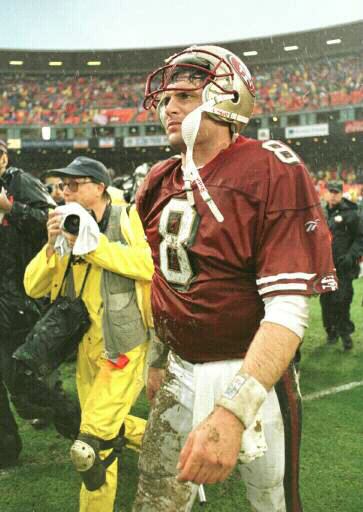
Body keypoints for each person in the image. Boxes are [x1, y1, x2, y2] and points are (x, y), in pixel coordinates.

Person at [132, 45, 337, 512]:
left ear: (230, 99)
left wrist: (234, 409)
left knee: (270, 499)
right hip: (179, 366)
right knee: (157, 498)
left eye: (185, 95)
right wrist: (159, 356)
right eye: (166, 99)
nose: (170, 108)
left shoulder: (270, 168)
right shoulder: (159, 178)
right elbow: (162, 281)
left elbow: (288, 308)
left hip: (247, 368)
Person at [24, 156, 154, 512]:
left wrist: (94, 247)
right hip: (85, 347)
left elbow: (149, 265)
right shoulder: (67, 228)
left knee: (91, 443)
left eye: (74, 184)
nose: (65, 191)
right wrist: (53, 244)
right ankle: (166, 443)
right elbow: (34, 286)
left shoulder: (128, 218)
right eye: (63, 186)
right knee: (100, 425)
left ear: (99, 187)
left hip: (124, 345)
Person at [0, 139, 80, 469]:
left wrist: (10, 209)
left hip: (18, 299)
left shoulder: (19, 182)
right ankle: (6, 453)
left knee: (27, 382)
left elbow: (53, 223)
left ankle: (82, 429)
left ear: (3, 158)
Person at [320, 180, 363, 350]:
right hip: (325, 266)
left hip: (344, 266)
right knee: (326, 301)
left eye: (337, 192)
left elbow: (360, 238)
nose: (333, 194)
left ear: (341, 193)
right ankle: (331, 331)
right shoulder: (320, 213)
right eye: (331, 191)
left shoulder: (351, 213)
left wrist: (350, 256)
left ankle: (345, 333)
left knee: (342, 300)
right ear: (326, 193)